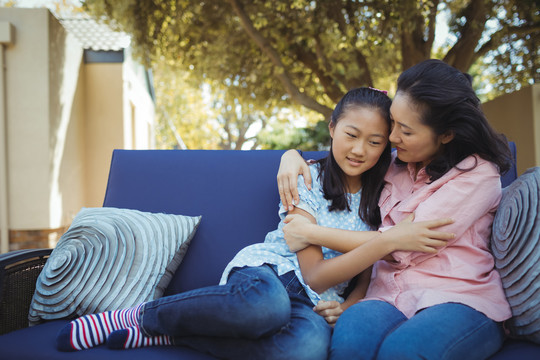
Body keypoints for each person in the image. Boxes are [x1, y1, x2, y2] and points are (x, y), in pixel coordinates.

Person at [55, 87, 452, 360]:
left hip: (312, 307)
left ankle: (174, 332)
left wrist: (348, 305)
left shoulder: (385, 196)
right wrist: (380, 242)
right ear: (332, 129)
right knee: (267, 307)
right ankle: (137, 315)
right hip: (269, 277)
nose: (359, 149)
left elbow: (369, 269)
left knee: (306, 351)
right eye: (351, 134)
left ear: (387, 146)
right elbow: (312, 274)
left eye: (375, 141)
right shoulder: (307, 178)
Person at [277, 59, 513, 360]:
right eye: (393, 124)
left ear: (446, 134)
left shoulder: (477, 175)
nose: (391, 138)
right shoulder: (395, 164)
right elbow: (343, 159)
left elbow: (401, 246)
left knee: (401, 352)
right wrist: (291, 156)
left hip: (459, 297)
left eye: (405, 130)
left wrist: (312, 233)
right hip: (387, 295)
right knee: (350, 345)